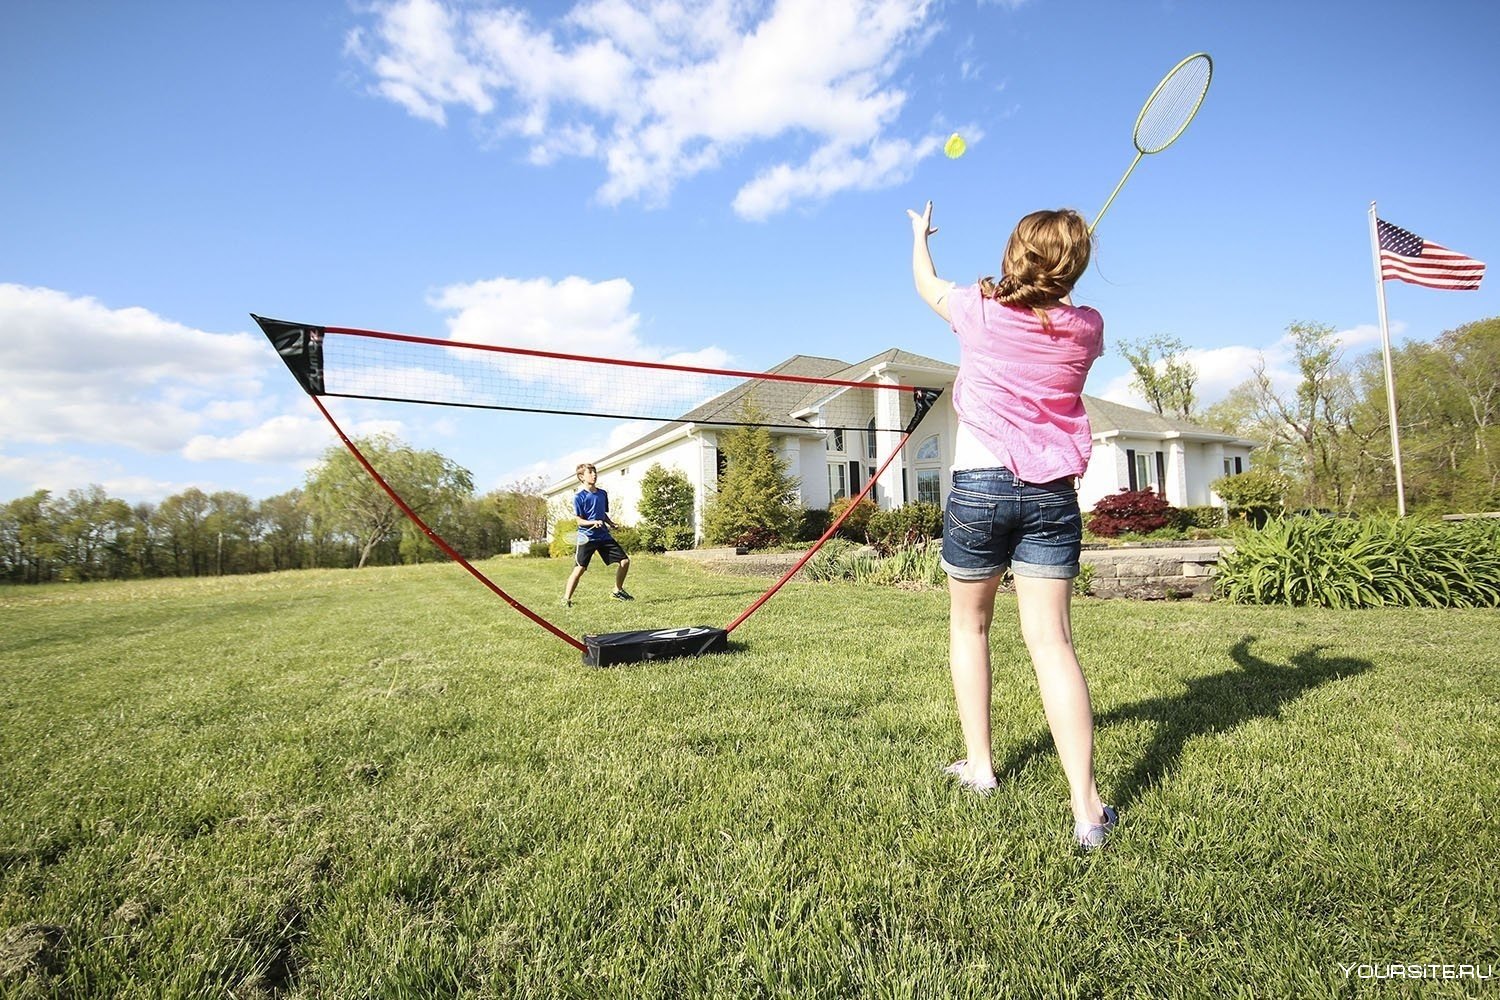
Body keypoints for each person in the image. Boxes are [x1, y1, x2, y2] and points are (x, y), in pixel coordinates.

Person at [905, 200, 1117, 850]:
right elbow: (1056, 312)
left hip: (981, 488)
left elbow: (924, 283)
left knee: (970, 627)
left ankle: (982, 768)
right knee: (1052, 644)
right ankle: (1087, 809)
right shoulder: (1089, 328)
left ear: (1015, 254)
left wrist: (920, 236)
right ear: (1076, 264)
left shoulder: (978, 309)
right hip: (1052, 496)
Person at [562, 462, 633, 607]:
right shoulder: (579, 497)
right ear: (581, 477)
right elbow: (579, 521)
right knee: (579, 568)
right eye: (590, 473)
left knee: (625, 561)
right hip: (587, 537)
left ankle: (617, 591)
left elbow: (603, 514)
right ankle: (566, 599)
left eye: (595, 472)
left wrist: (611, 523)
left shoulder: (602, 494)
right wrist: (592, 522)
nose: (594, 475)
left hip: (603, 536)